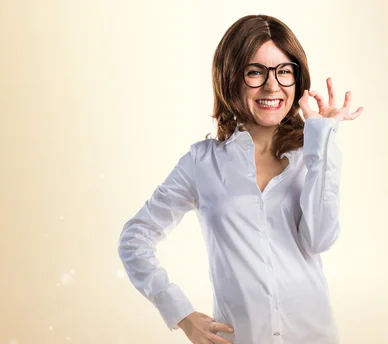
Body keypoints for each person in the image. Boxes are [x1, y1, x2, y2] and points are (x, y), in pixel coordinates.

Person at [117, 14, 363, 344]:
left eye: (284, 71)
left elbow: (319, 239)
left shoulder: (314, 153)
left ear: (298, 78)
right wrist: (181, 314)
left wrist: (323, 137)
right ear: (231, 77)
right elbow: (136, 237)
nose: (272, 86)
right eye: (255, 72)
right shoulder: (201, 163)